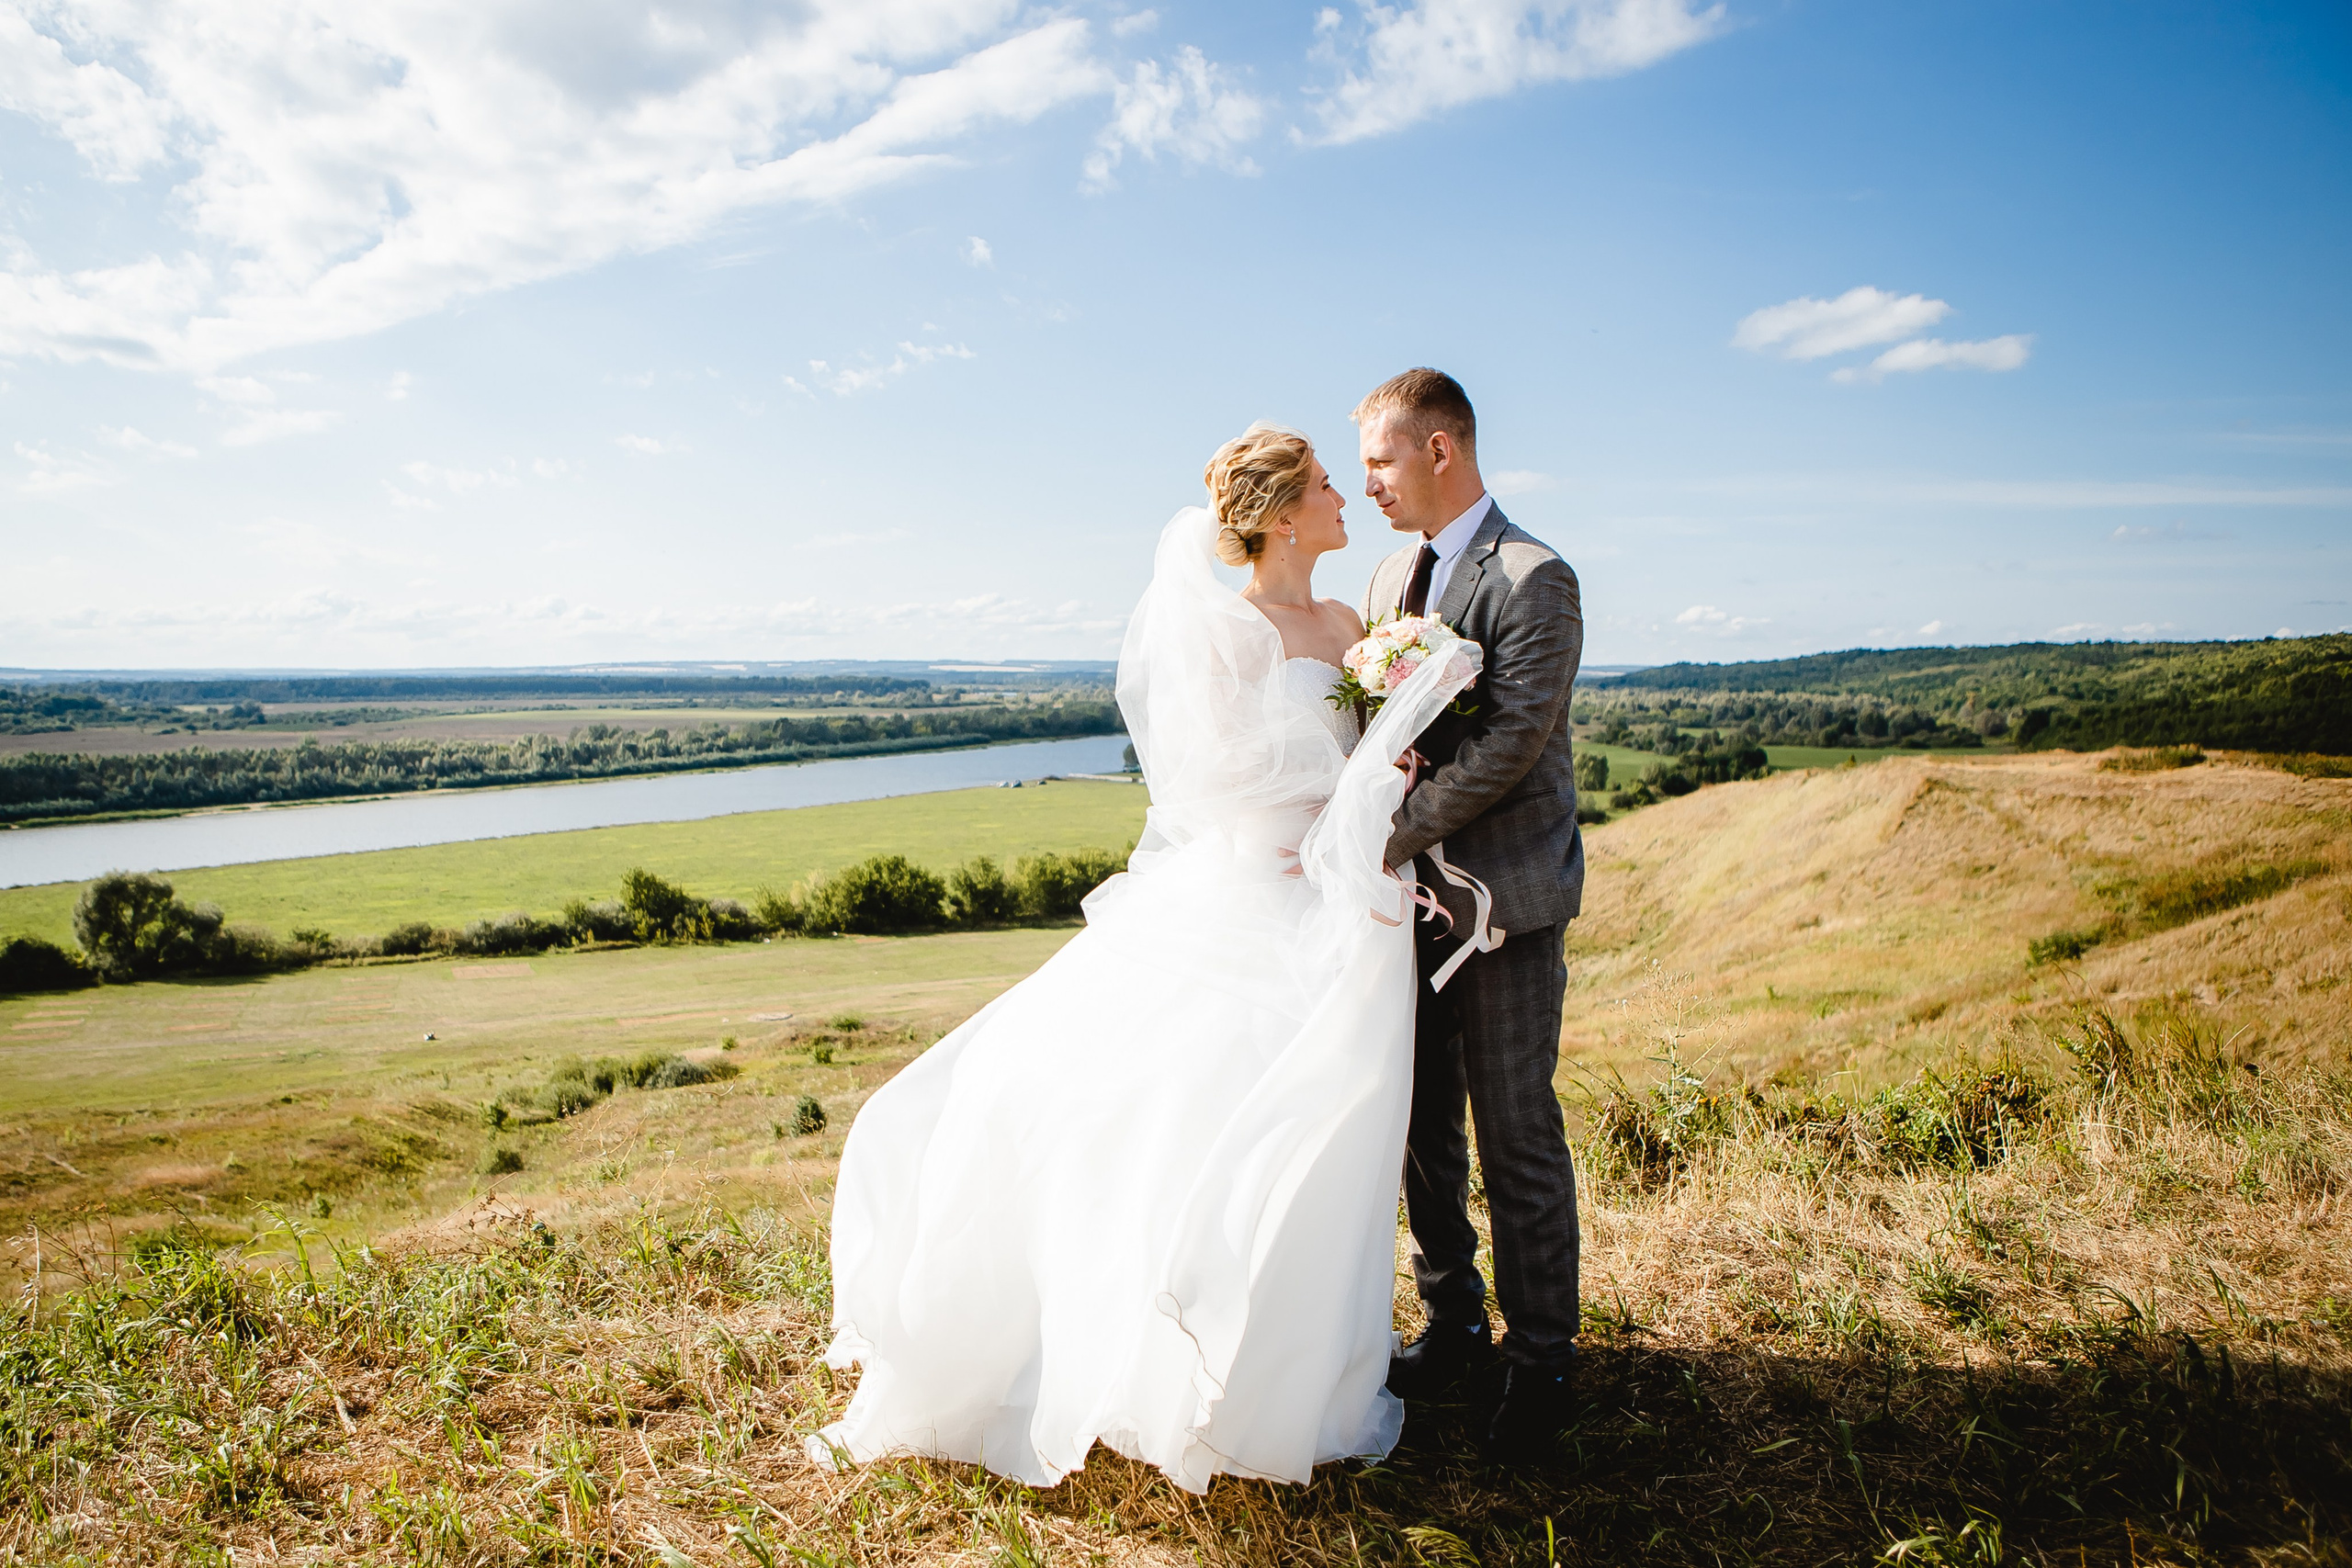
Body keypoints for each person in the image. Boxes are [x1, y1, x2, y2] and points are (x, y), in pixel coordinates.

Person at [808, 423, 1482, 1491]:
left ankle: (1303, 1371)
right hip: (1256, 894)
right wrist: (1339, 794)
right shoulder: (1227, 630)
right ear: (1276, 515)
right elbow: (1212, 781)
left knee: (1330, 1130)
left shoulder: (1349, 620)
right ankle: (1170, 1363)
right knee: (1197, 1122)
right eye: (1321, 487)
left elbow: (1355, 756)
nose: (1343, 499)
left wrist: (1386, 766)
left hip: (1342, 908)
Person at [1356, 368, 1587, 1459]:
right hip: (1403, 910)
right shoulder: (1387, 576)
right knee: (1418, 1130)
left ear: (1441, 450)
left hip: (1503, 900)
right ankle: (1452, 1319)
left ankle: (1541, 1361)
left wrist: (1384, 832)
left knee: (1514, 1131)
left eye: (1381, 461)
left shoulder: (1535, 578)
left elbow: (1511, 745)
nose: (1368, 485)